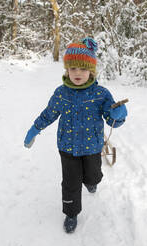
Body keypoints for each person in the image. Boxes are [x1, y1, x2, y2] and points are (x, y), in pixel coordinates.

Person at [24, 37, 127, 233]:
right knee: (70, 183)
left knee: (93, 176)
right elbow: (49, 114)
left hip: (92, 147)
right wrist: (35, 129)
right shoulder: (62, 93)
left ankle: (91, 182)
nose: (77, 73)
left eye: (82, 68)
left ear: (91, 71)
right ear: (67, 70)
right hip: (67, 147)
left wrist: (118, 115)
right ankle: (71, 213)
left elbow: (111, 118)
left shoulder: (101, 94)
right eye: (73, 69)